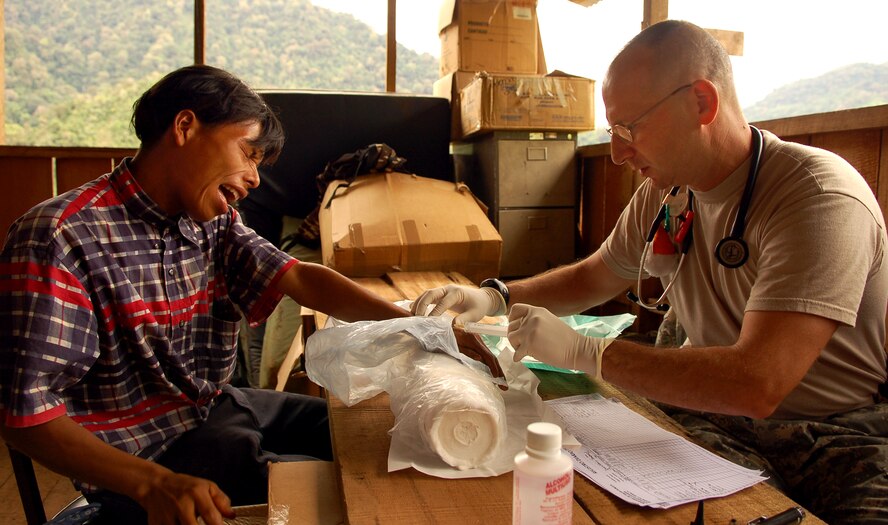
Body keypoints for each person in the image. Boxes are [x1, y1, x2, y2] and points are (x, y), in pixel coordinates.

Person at [413, 20, 888, 524]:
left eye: (628, 129)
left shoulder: (815, 197)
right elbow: (595, 277)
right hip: (715, 417)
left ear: (702, 103)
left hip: (838, 433)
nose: (617, 153)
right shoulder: (669, 191)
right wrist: (494, 296)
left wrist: (585, 351)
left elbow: (758, 382)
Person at [0, 64, 500, 525]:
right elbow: (25, 419)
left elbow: (300, 277)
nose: (255, 178)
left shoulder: (212, 223)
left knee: (368, 431)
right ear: (185, 127)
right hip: (152, 454)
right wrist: (154, 485)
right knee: (360, 486)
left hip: (217, 407)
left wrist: (422, 327)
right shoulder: (61, 237)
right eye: (248, 153)